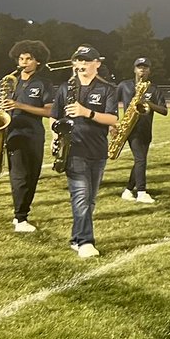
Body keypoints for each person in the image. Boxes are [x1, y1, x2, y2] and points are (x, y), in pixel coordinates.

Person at [51, 46, 119, 257]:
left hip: (97, 150)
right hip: (73, 149)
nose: (81, 65)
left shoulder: (108, 89)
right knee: (81, 196)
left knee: (89, 200)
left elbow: (113, 119)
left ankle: (76, 237)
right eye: (78, 61)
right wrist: (55, 137)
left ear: (97, 64)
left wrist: (86, 112)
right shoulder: (65, 88)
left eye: (86, 61)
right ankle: (85, 242)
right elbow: (54, 116)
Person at [2, 40, 55, 232]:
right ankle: (20, 218)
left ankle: (22, 213)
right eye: (21, 58)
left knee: (32, 176)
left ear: (37, 61)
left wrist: (20, 106)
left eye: (28, 59)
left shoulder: (44, 83)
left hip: (33, 134)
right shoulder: (9, 82)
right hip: (13, 133)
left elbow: (50, 111)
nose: (23, 62)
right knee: (20, 176)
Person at [116, 57, 169, 204]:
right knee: (140, 159)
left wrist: (149, 104)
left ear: (149, 71)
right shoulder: (124, 86)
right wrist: (114, 123)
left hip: (145, 130)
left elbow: (164, 111)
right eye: (139, 67)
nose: (142, 70)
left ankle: (128, 191)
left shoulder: (154, 89)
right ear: (134, 69)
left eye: (145, 67)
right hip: (131, 128)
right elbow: (112, 103)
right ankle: (141, 192)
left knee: (140, 160)